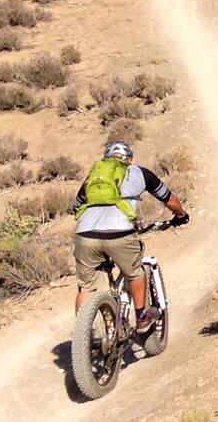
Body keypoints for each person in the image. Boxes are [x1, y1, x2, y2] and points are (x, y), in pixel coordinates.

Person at [72, 139, 186, 331]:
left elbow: (76, 207)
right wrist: (181, 215)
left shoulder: (94, 176)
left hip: (86, 234)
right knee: (135, 274)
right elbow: (169, 199)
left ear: (106, 159)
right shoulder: (140, 173)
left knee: (86, 287)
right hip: (120, 233)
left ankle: (84, 335)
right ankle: (142, 317)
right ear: (130, 159)